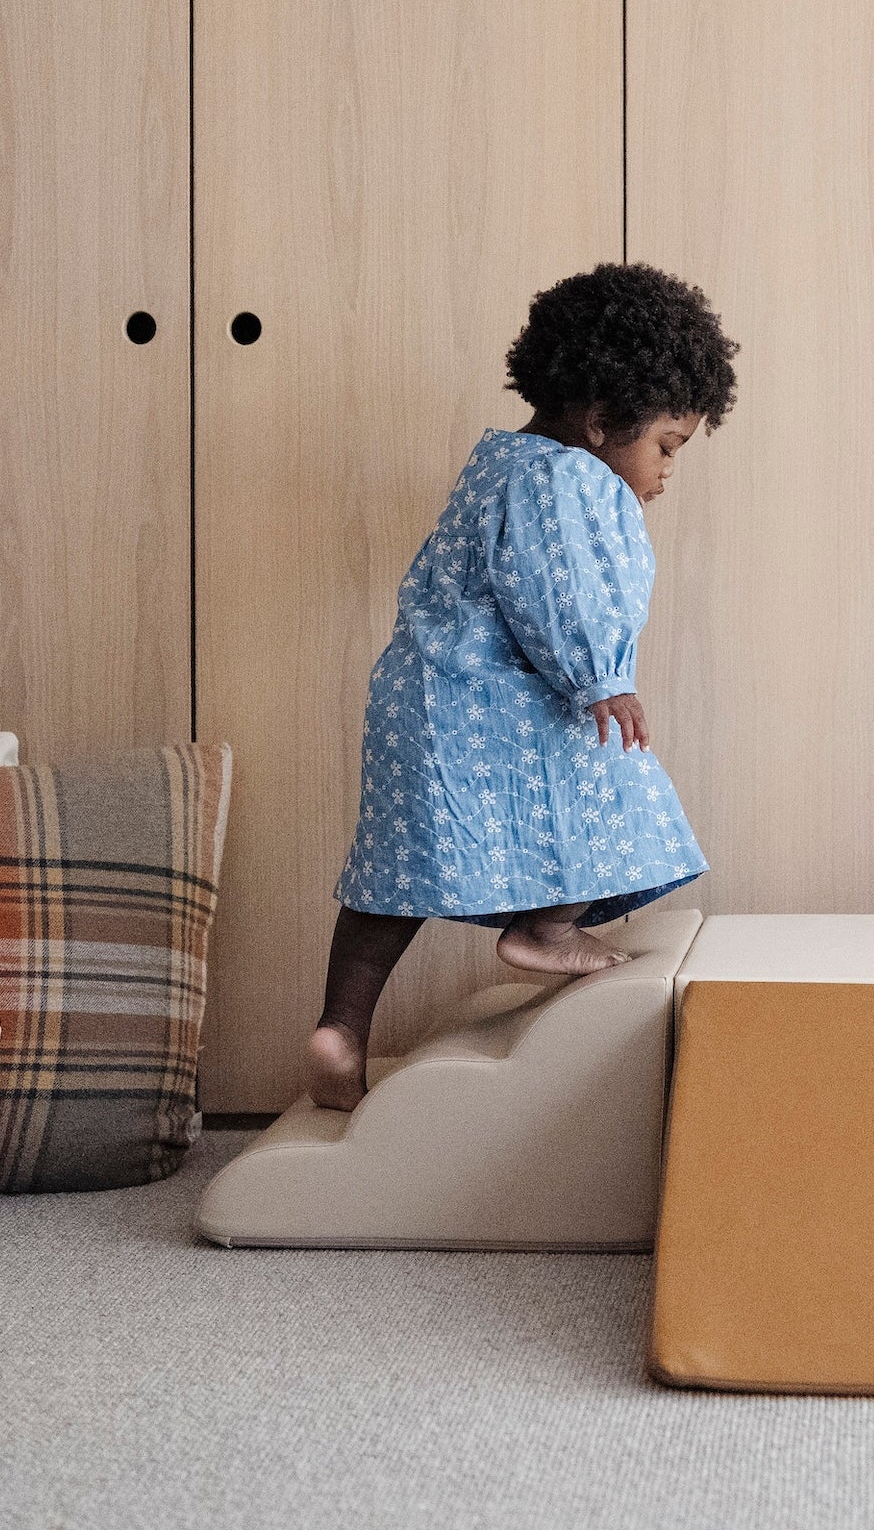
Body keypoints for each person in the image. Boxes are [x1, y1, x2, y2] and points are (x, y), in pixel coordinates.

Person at [305, 262, 739, 1111]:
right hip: (496, 701)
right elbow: (559, 584)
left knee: (395, 878)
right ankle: (547, 929)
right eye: (666, 446)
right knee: (617, 783)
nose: (667, 471)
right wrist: (601, 676)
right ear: (601, 420)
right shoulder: (566, 477)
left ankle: (339, 1032)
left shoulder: (498, 461)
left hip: (423, 698)